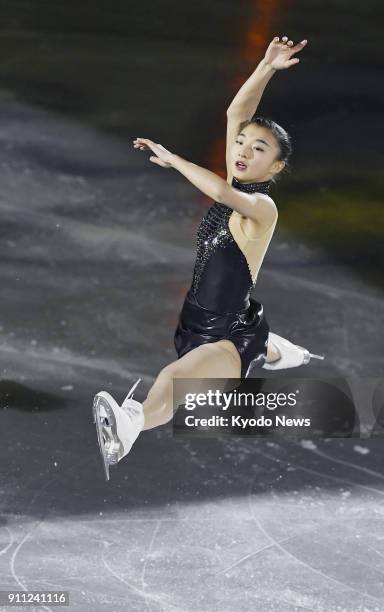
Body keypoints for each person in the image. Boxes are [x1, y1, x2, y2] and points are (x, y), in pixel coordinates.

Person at [92, 34, 324, 481]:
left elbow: (217, 190)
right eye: (242, 144)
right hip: (197, 320)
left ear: (275, 168)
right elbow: (237, 114)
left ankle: (128, 426)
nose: (242, 151)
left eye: (259, 150)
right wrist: (267, 67)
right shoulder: (239, 183)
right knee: (246, 342)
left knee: (172, 381)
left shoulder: (261, 208)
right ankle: (278, 349)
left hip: (226, 338)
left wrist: (174, 159)